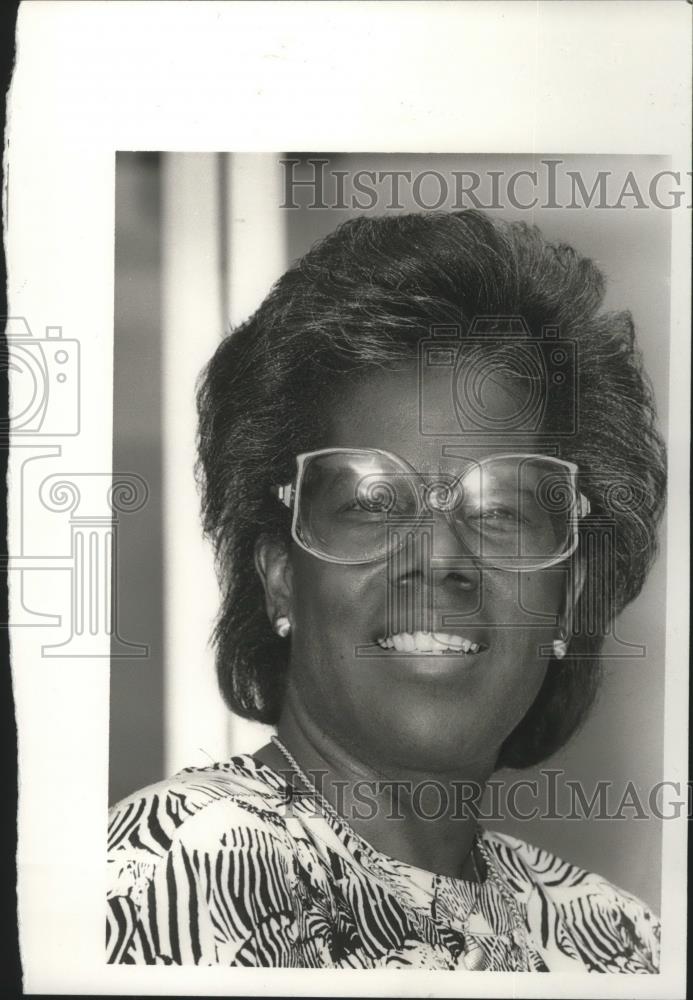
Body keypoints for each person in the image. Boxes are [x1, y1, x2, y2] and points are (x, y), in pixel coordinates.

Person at [106, 209, 666, 970]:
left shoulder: (617, 943)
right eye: (371, 503)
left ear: (567, 598)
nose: (439, 556)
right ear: (278, 577)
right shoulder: (175, 877)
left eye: (502, 509)